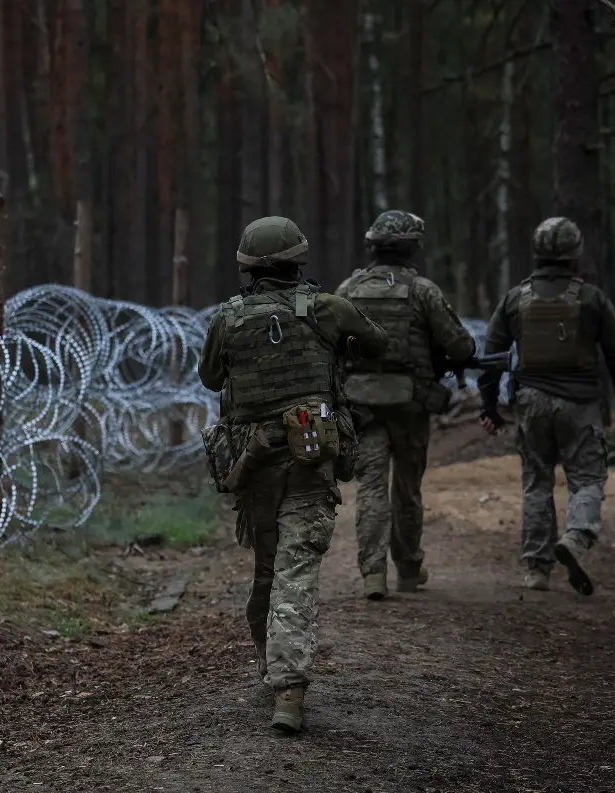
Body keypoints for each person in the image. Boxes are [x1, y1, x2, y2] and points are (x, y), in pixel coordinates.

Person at [198, 216, 387, 734]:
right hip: (310, 457)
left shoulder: (230, 317)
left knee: (266, 569)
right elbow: (379, 343)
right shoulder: (326, 309)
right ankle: (289, 690)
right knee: (295, 572)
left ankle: (272, 671)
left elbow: (210, 376)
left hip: (253, 462)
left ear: (246, 266)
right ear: (298, 259)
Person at [477, 217, 615, 594]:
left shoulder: (516, 298)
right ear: (575, 253)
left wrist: (490, 408)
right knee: (588, 479)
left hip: (531, 404)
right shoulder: (591, 298)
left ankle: (536, 569)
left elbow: (491, 356)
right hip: (580, 403)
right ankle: (577, 537)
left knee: (536, 483)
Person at [335, 211, 475, 600]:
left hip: (362, 405)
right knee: (407, 489)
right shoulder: (423, 291)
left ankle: (372, 573)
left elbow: (330, 342)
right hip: (410, 404)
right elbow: (461, 346)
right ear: (413, 247)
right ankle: (409, 570)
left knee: (371, 488)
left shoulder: (349, 288)